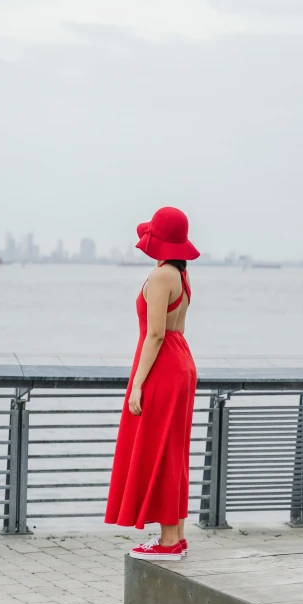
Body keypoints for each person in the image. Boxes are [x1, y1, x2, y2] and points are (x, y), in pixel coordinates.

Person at [105, 206, 199, 560]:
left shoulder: (160, 277)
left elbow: (156, 334)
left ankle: (167, 542)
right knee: (172, 450)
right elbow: (177, 330)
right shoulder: (181, 275)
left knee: (158, 449)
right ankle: (175, 536)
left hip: (162, 365)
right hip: (181, 361)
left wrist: (138, 385)